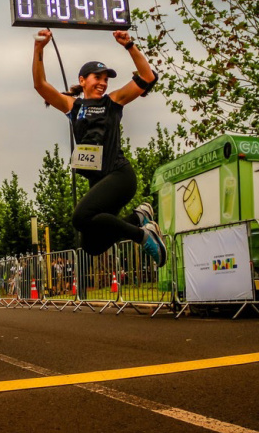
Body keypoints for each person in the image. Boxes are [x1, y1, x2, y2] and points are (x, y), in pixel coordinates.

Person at [32, 29, 166, 266]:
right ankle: (137, 217)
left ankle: (143, 235)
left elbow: (147, 77)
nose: (103, 83)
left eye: (106, 79)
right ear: (82, 80)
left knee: (80, 217)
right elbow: (40, 85)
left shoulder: (113, 101)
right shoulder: (73, 106)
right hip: (98, 182)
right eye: (97, 78)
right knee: (92, 246)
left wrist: (129, 45)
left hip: (119, 175)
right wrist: (39, 49)